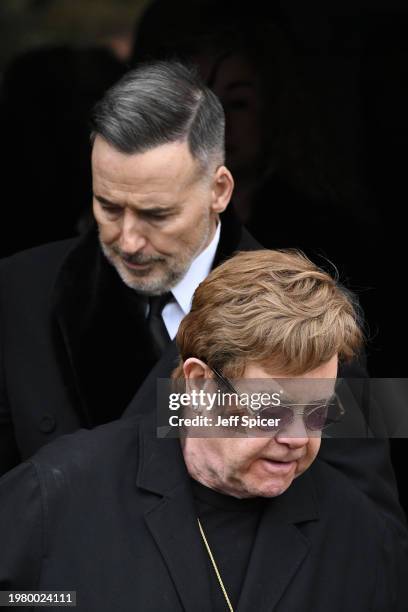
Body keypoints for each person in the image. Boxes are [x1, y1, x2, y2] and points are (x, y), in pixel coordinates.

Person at [0, 249, 406, 611]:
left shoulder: (360, 535)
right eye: (272, 409)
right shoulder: (55, 495)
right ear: (198, 383)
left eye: (318, 409)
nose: (297, 438)